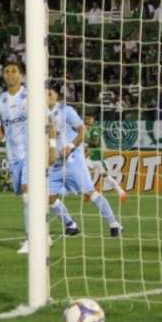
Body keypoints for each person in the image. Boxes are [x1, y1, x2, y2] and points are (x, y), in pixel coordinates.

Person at [48, 85, 122, 237]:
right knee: (48, 197)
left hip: (73, 160)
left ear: (57, 96)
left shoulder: (66, 110)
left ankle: (114, 224)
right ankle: (71, 225)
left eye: (50, 93)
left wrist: (70, 145)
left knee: (91, 193)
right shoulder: (40, 114)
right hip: (54, 165)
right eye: (44, 93)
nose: (47, 96)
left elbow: (83, 131)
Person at [0, 60, 32, 254]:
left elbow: (47, 121)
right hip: (13, 155)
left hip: (32, 153)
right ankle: (45, 233)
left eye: (14, 71)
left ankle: (31, 239)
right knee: (26, 196)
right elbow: (0, 131)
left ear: (21, 75)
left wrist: (49, 147)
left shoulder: (31, 96)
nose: (10, 74)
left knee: (27, 196)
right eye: (7, 71)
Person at [83, 114, 126, 200]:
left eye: (89, 118)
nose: (88, 120)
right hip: (90, 157)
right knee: (84, 173)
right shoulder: (85, 130)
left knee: (105, 177)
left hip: (98, 158)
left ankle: (121, 192)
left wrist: (84, 140)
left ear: (93, 120)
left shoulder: (95, 129)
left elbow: (95, 143)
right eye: (86, 119)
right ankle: (88, 193)